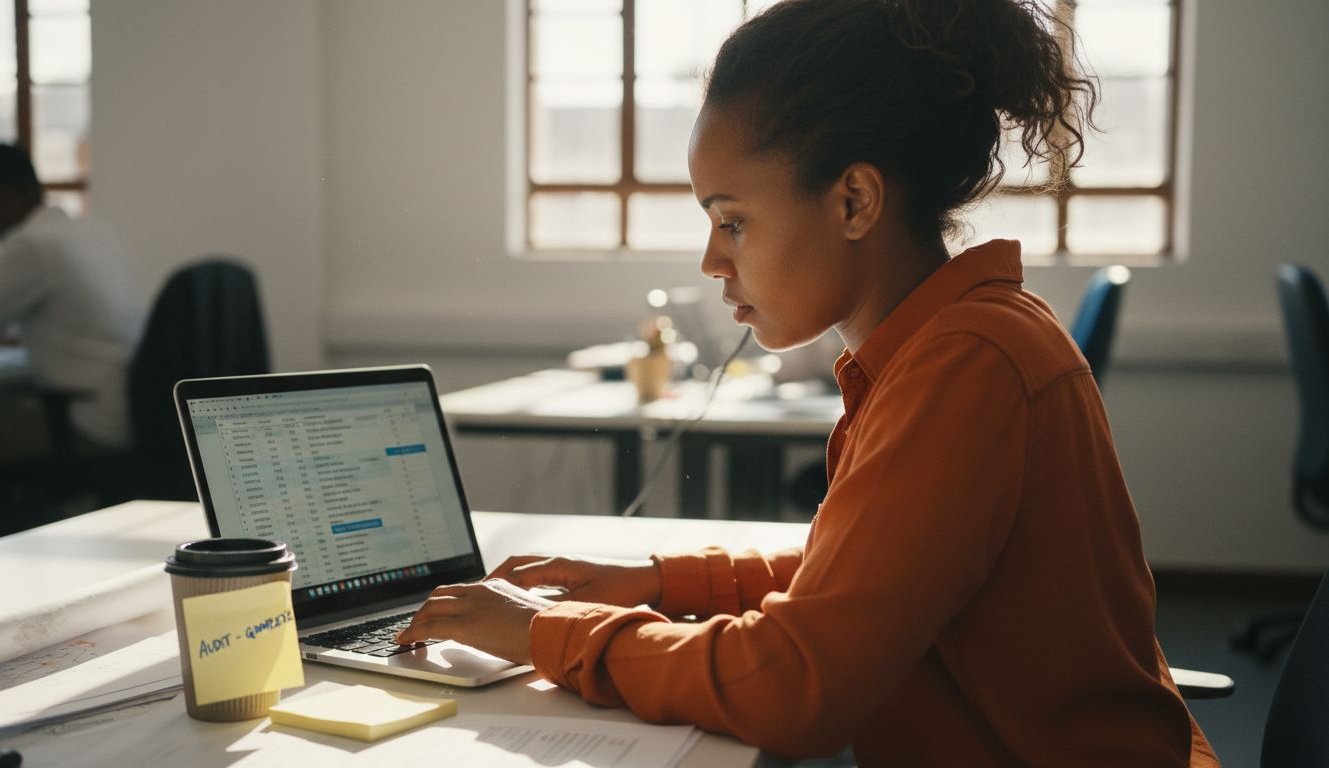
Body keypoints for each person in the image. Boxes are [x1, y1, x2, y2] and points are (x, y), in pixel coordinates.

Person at [397, 1, 1220, 764]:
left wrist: (552, 635)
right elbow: (863, 575)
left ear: (855, 200)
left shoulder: (970, 363)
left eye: (734, 221)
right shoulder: (951, 342)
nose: (714, 260)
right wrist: (660, 580)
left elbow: (796, 685)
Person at [0, 143, 143, 451]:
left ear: (1, 196)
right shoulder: (90, 231)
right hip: (130, 412)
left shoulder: (31, 243)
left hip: (84, 421)